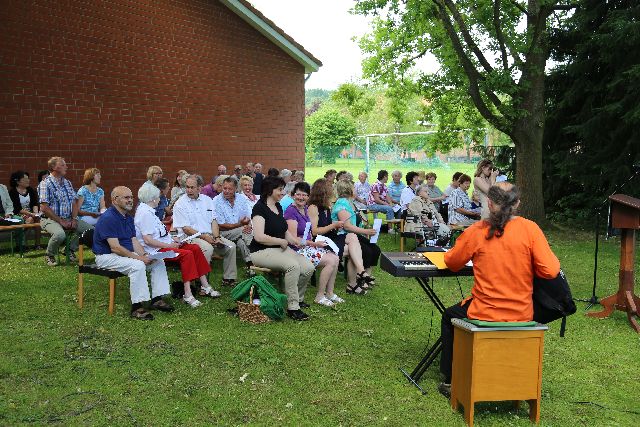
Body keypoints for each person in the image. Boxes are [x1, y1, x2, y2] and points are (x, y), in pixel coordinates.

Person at [438, 182, 561, 397]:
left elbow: (452, 262)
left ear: (489, 203)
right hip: (521, 312)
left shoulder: (478, 230)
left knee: (450, 316)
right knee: (454, 314)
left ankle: (451, 380)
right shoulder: (530, 229)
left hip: (485, 312)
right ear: (518, 203)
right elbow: (550, 271)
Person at [93, 186, 174, 320]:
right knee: (137, 265)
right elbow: (115, 248)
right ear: (114, 200)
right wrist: (139, 259)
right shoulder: (108, 218)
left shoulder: (128, 218)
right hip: (105, 256)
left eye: (131, 197)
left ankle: (157, 299)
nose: (130, 200)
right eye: (126, 198)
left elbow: (134, 241)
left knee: (158, 261)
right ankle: (137, 308)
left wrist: (145, 255)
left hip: (122, 255)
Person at [134, 184, 213, 307]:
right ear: (153, 199)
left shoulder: (148, 211)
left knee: (195, 248)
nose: (160, 200)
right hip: (155, 250)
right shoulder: (145, 213)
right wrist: (170, 244)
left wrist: (173, 239)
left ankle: (205, 285)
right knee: (187, 254)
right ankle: (187, 294)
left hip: (164, 244)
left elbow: (158, 234)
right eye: (158, 197)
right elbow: (148, 240)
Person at [249, 176, 315, 321]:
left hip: (280, 249)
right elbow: (259, 237)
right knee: (292, 266)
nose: (282, 192)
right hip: (261, 251)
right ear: (269, 190)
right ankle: (293, 308)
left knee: (308, 267)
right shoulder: (259, 208)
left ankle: (297, 298)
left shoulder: (278, 206)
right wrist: (281, 241)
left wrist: (294, 241)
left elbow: (284, 230)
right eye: (279, 189)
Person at [172, 174, 237, 288]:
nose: (189, 190)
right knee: (207, 248)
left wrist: (216, 238)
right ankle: (202, 283)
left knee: (230, 247)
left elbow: (213, 221)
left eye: (192, 187)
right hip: (191, 238)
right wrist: (205, 237)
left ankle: (229, 279)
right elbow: (186, 229)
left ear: (200, 188)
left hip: (210, 235)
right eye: (187, 187)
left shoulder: (207, 200)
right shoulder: (180, 203)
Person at [284, 182, 342, 307]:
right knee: (330, 261)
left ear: (308, 196)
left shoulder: (304, 208)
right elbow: (294, 240)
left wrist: (313, 243)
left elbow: (308, 232)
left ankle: (330, 293)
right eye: (298, 194)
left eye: (304, 195)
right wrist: (314, 243)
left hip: (307, 246)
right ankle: (320, 296)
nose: (301, 197)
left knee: (335, 257)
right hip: (296, 250)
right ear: (293, 195)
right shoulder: (290, 211)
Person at [38, 157, 93, 266]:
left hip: (68, 218)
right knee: (59, 235)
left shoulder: (67, 182)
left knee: (90, 231)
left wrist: (74, 218)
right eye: (63, 165)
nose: (66, 167)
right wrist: (60, 221)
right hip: (49, 219)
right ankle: (49, 254)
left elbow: (73, 203)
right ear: (53, 167)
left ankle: (69, 249)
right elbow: (44, 207)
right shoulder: (45, 184)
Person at [332, 180, 381, 294]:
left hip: (354, 234)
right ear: (348, 190)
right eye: (354, 188)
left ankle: (365, 278)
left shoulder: (350, 202)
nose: (356, 190)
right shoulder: (341, 204)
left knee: (375, 249)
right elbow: (347, 227)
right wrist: (366, 231)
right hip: (344, 235)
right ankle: (353, 283)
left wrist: (364, 227)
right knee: (366, 251)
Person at [212, 176, 254, 275]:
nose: (226, 191)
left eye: (229, 189)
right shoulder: (216, 201)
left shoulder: (241, 199)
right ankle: (256, 252)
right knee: (244, 232)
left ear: (235, 189)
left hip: (239, 232)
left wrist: (247, 224)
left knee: (241, 242)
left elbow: (247, 217)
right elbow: (221, 225)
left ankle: (250, 266)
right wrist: (241, 225)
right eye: (224, 188)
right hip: (222, 233)